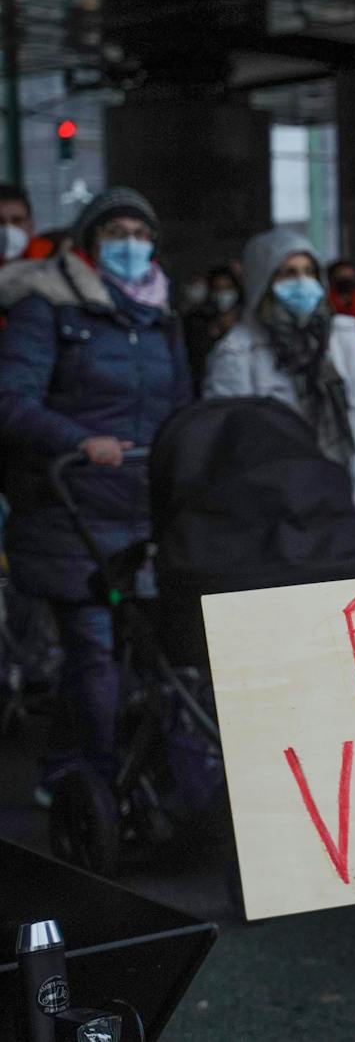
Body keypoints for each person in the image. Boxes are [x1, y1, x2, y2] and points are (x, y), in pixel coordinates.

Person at [0, 188, 191, 789]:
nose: (130, 244)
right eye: (117, 233)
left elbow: (182, 406)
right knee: (96, 654)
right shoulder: (48, 308)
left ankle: (70, 770)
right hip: (69, 511)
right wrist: (79, 441)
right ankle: (97, 783)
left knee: (130, 656)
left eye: (141, 232)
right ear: (89, 243)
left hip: (143, 514)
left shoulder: (162, 318)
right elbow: (11, 400)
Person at [204, 227, 355, 525]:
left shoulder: (341, 335)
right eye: (288, 273)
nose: (302, 282)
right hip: (279, 515)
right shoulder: (237, 352)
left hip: (350, 501)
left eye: (309, 272)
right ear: (262, 280)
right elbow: (228, 438)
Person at [182, 265, 243, 390]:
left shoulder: (247, 320)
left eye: (228, 288)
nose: (223, 294)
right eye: (218, 289)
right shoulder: (197, 321)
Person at [0, 183, 54, 265]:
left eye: (17, 221)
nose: (8, 229)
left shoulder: (52, 261)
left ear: (31, 226)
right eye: (0, 222)